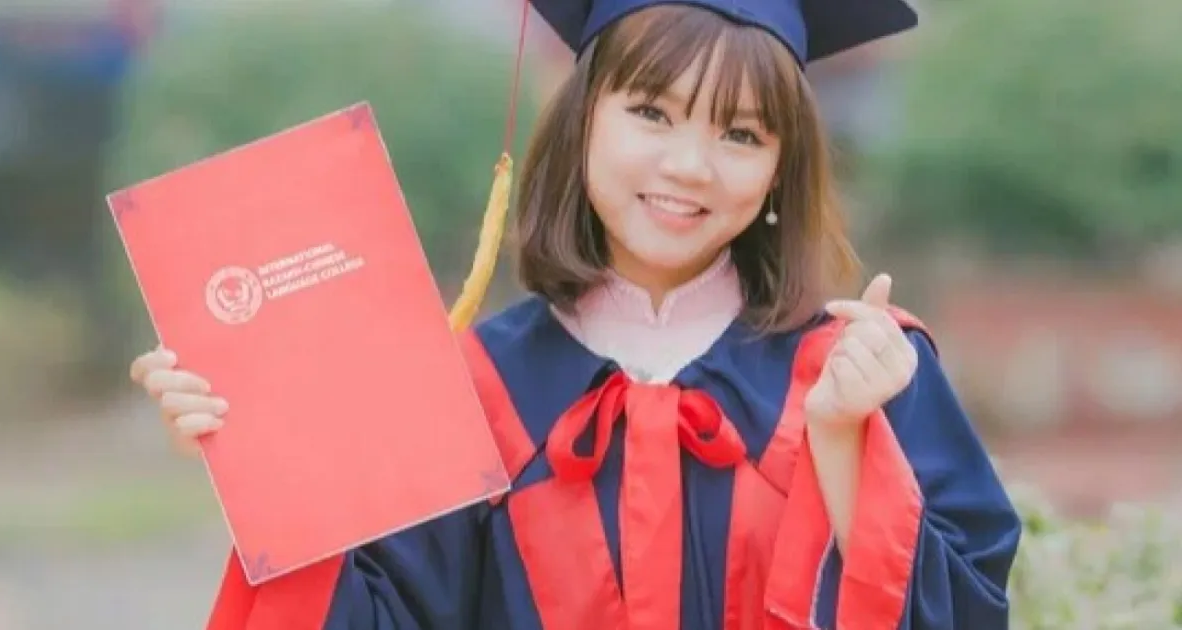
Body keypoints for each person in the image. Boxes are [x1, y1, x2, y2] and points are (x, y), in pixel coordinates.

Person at [129, 0, 1022, 628]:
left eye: (741, 133)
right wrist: (260, 460)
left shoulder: (860, 374)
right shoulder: (473, 393)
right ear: (583, 119)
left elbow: (965, 612)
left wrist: (845, 450)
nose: (690, 165)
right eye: (652, 113)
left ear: (782, 168)